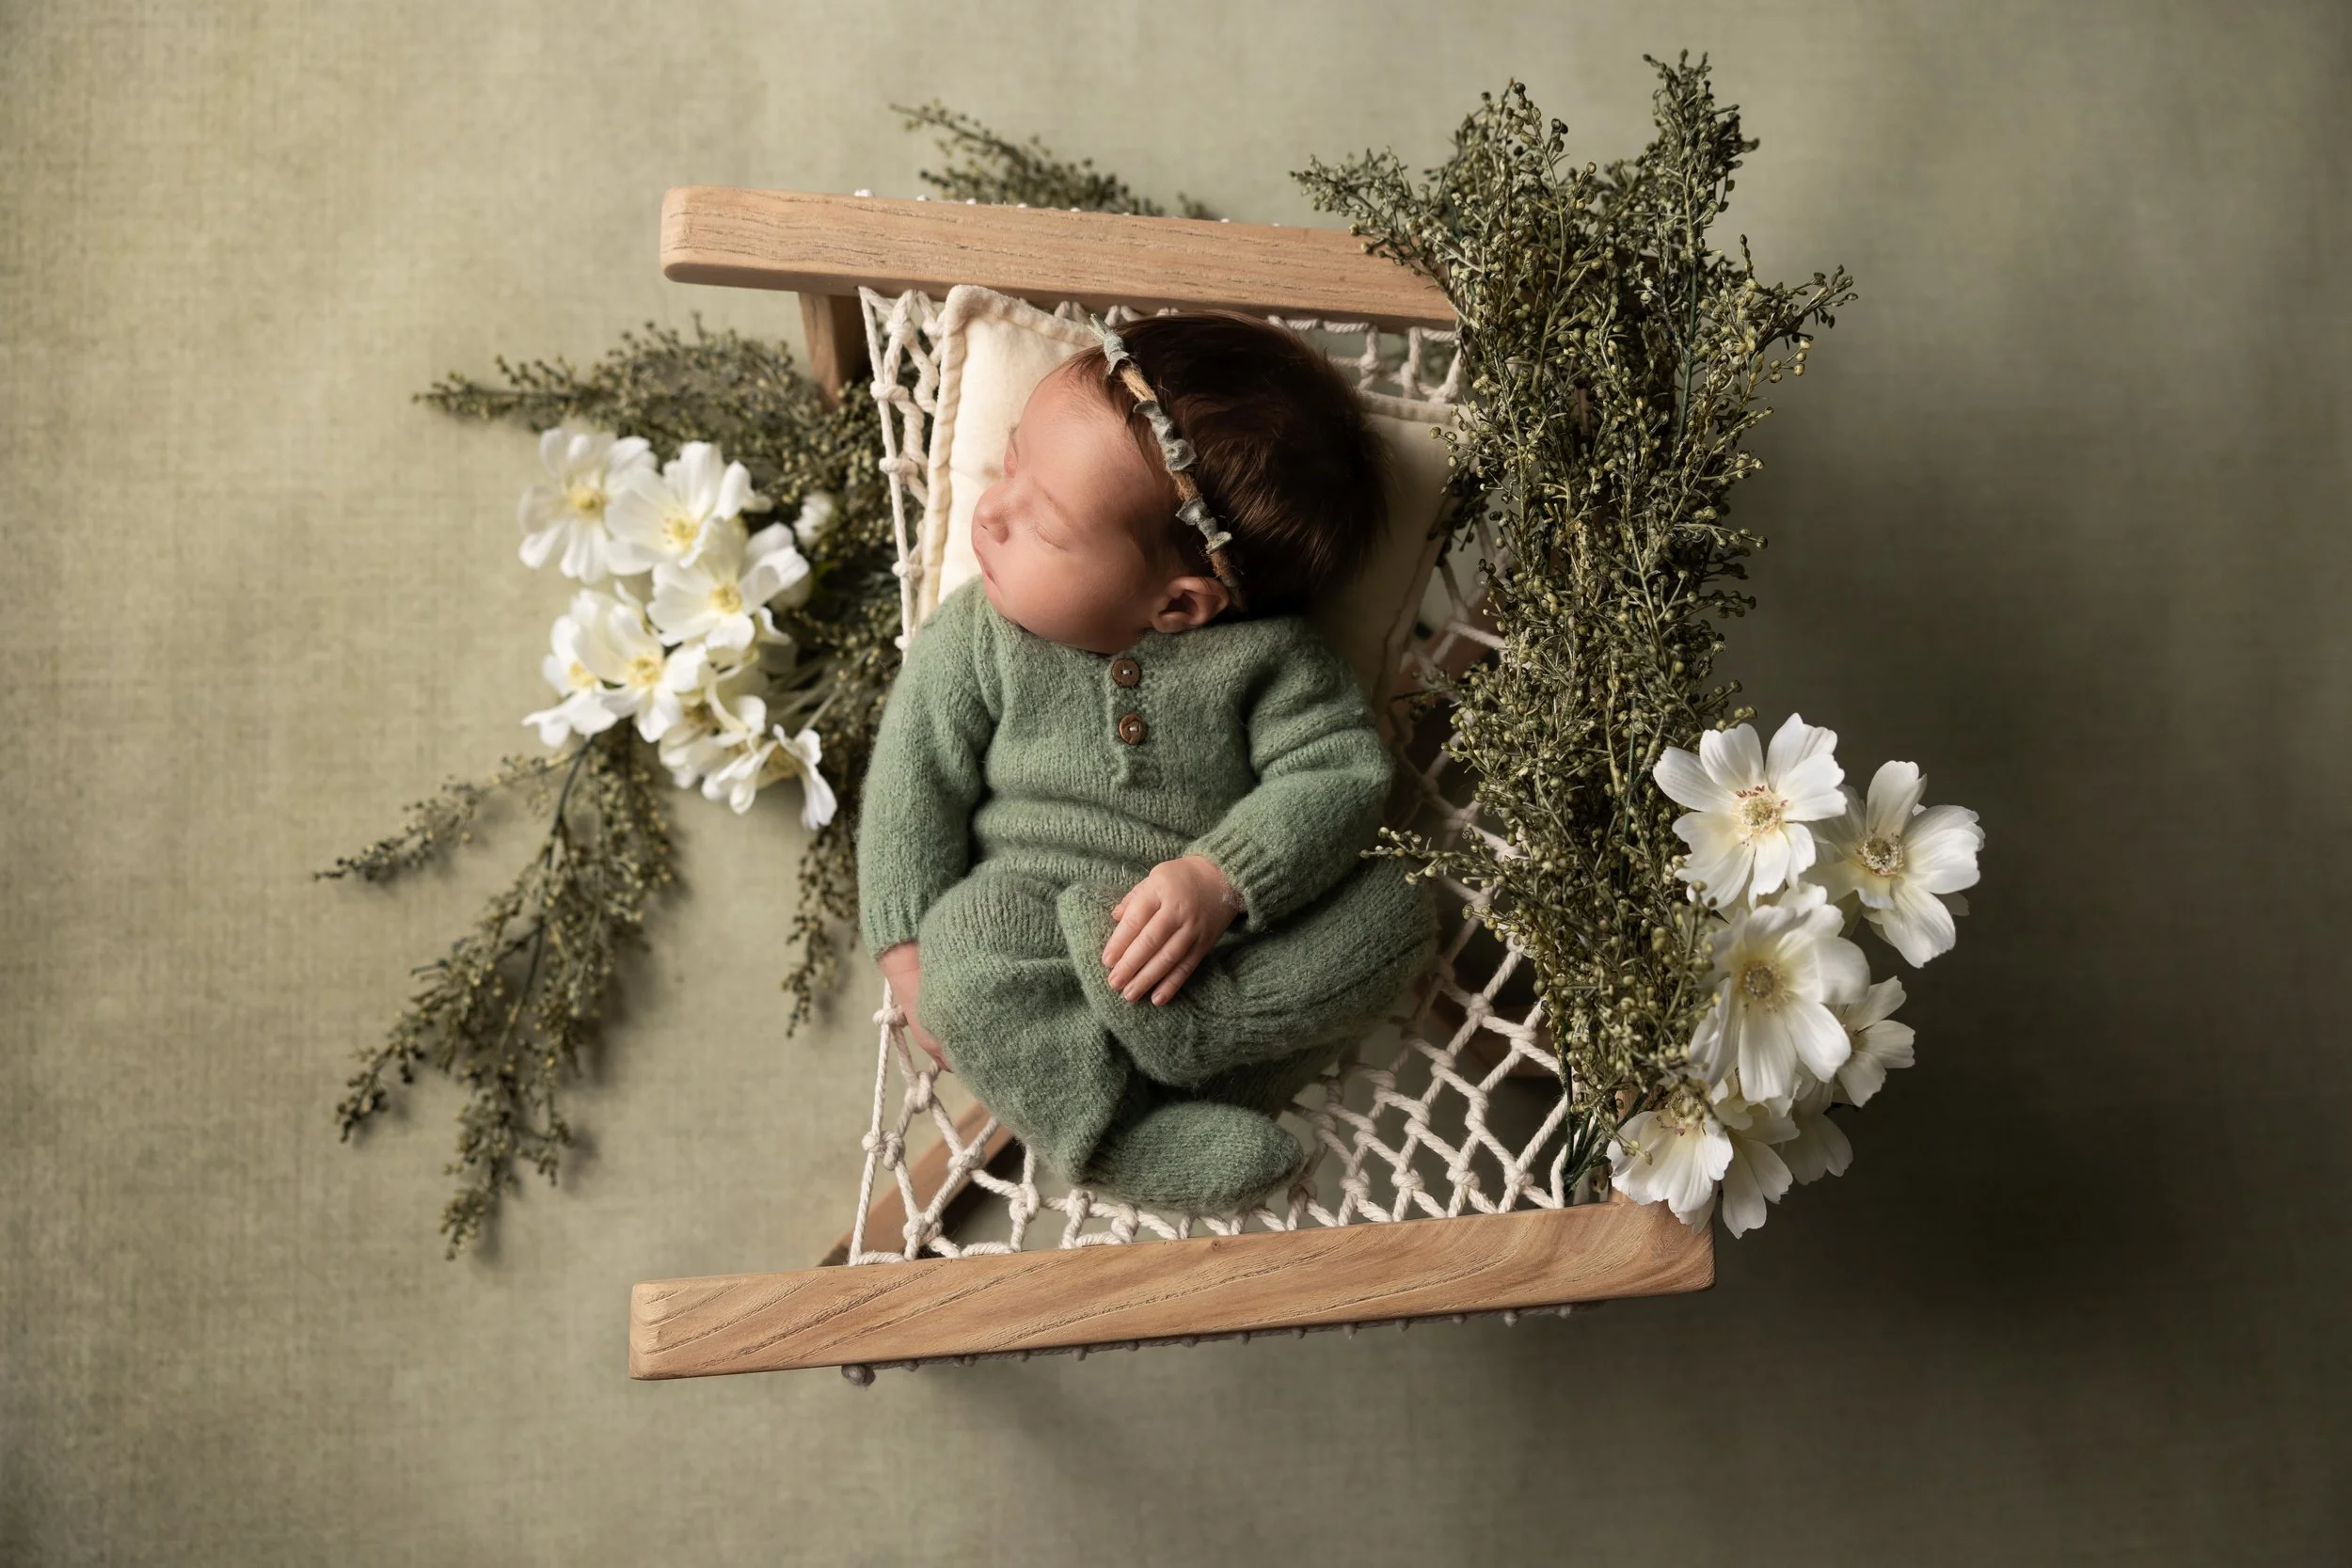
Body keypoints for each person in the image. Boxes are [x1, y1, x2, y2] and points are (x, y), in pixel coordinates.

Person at [856, 311, 1438, 1213]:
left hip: (1227, 945)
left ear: (1178, 605)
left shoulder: (1273, 661)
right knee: (961, 954)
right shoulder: (978, 636)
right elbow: (912, 782)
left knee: (1397, 910)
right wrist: (905, 954)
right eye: (1009, 463)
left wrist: (1219, 877)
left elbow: (1339, 778)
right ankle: (1115, 1142)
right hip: (1039, 915)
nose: (992, 511)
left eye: (1041, 525)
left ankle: (1209, 1040)